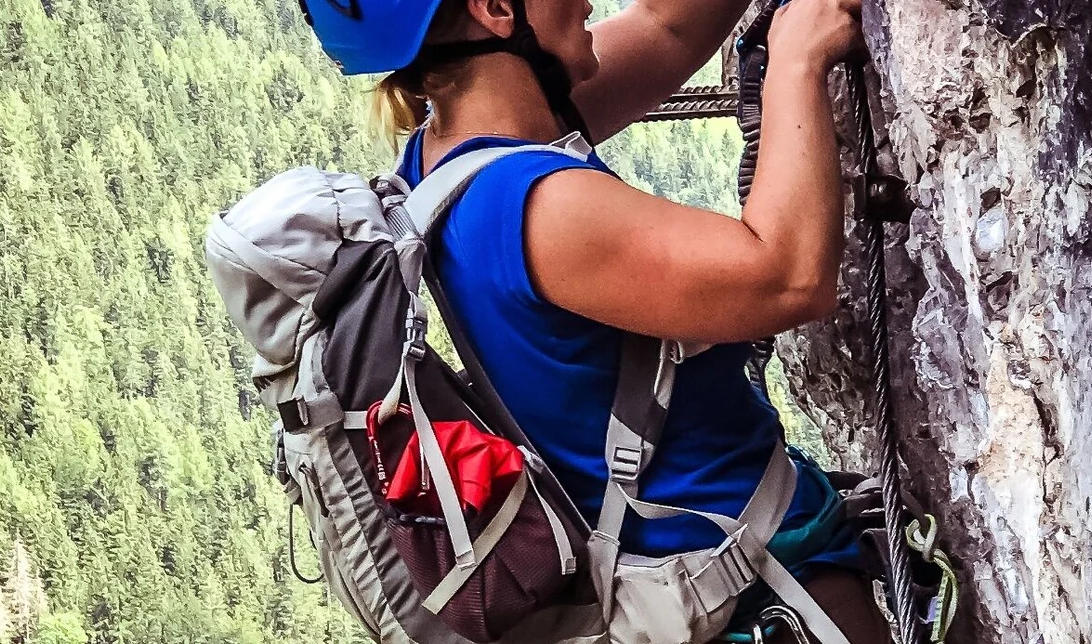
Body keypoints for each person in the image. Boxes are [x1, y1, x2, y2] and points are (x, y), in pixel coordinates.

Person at [303, 0, 886, 641]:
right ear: (497, 10)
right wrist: (797, 60)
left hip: (717, 569)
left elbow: (669, 28)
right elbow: (790, 277)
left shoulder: (450, 157)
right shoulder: (535, 210)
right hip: (758, 588)